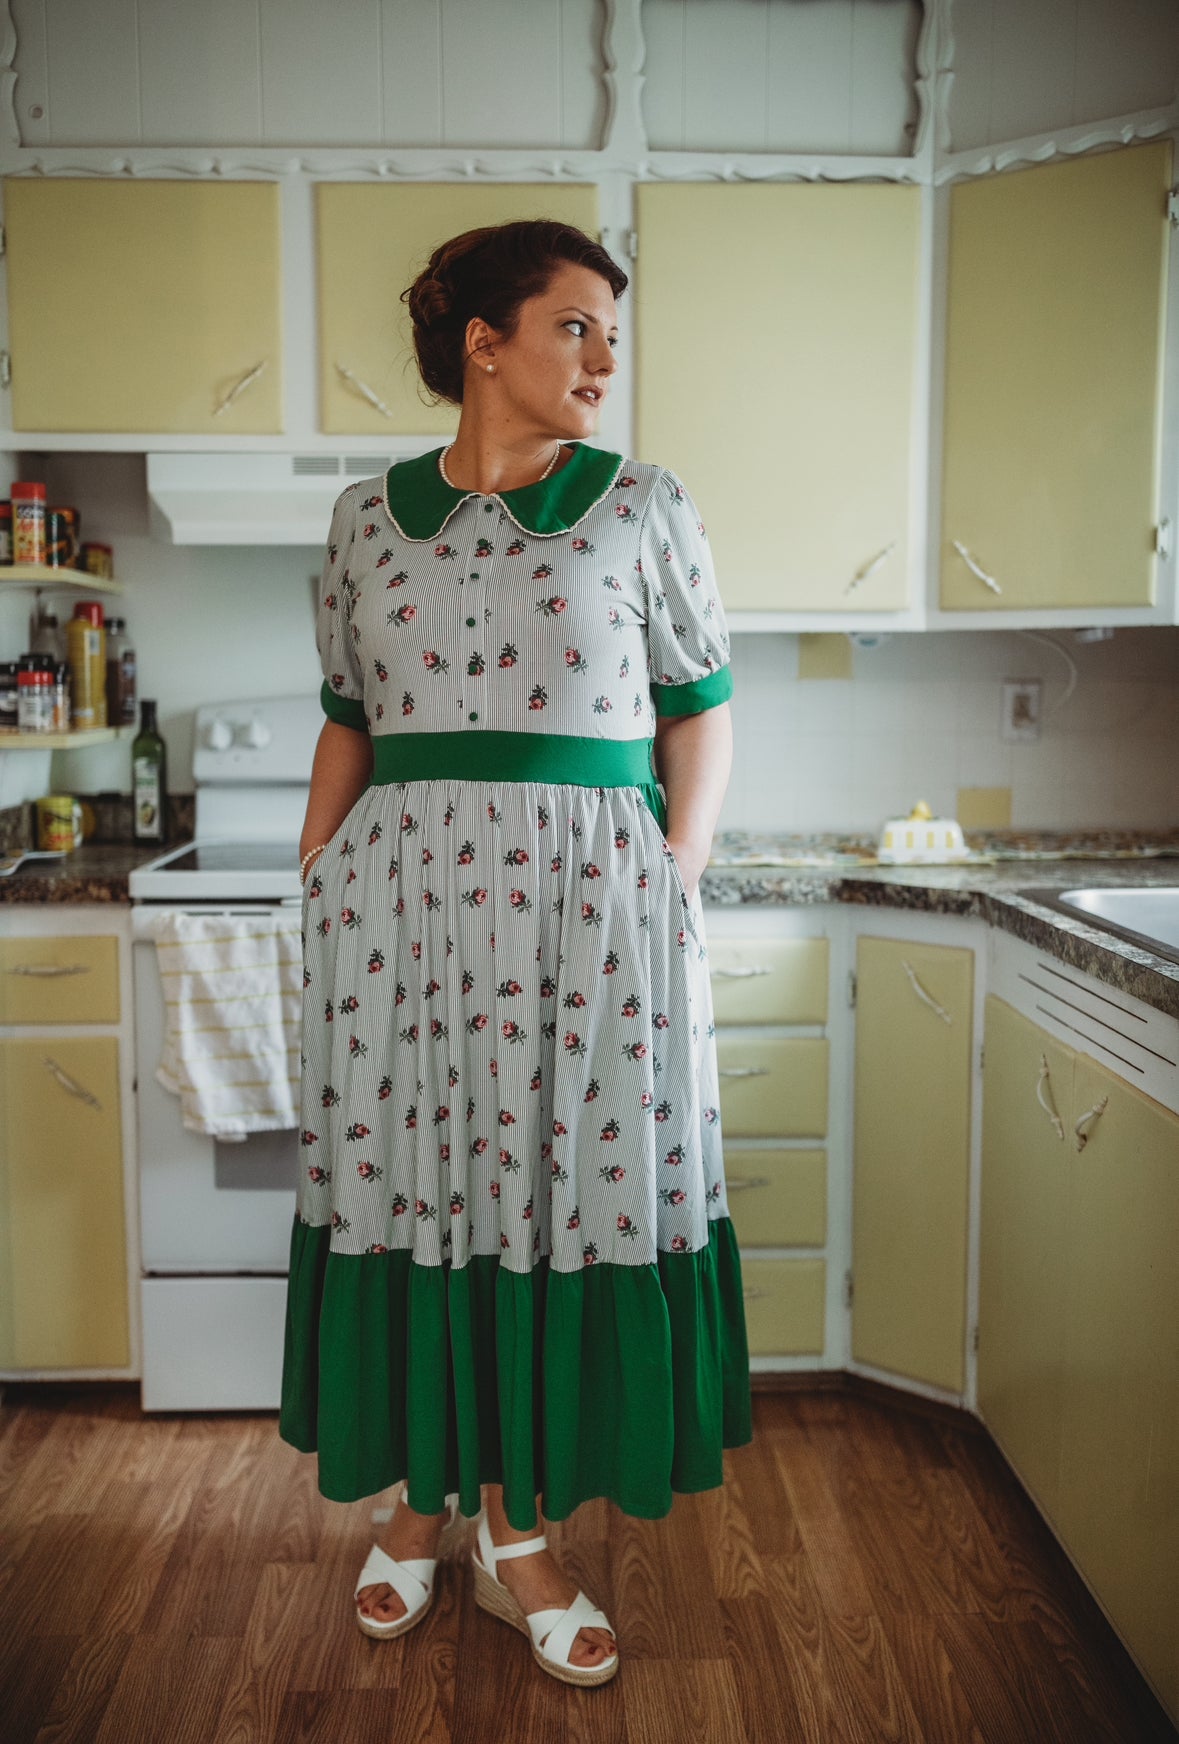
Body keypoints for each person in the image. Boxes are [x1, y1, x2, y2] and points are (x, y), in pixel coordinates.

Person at [280, 217, 752, 1688]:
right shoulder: (368, 519)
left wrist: (674, 877)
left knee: (557, 1195)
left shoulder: (644, 505)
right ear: (485, 342)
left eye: (613, 333)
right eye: (575, 327)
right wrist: (317, 874)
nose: (605, 359)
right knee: (426, 1194)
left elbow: (701, 710)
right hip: (403, 917)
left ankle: (517, 1526)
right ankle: (421, 1505)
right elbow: (350, 716)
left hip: (592, 919)